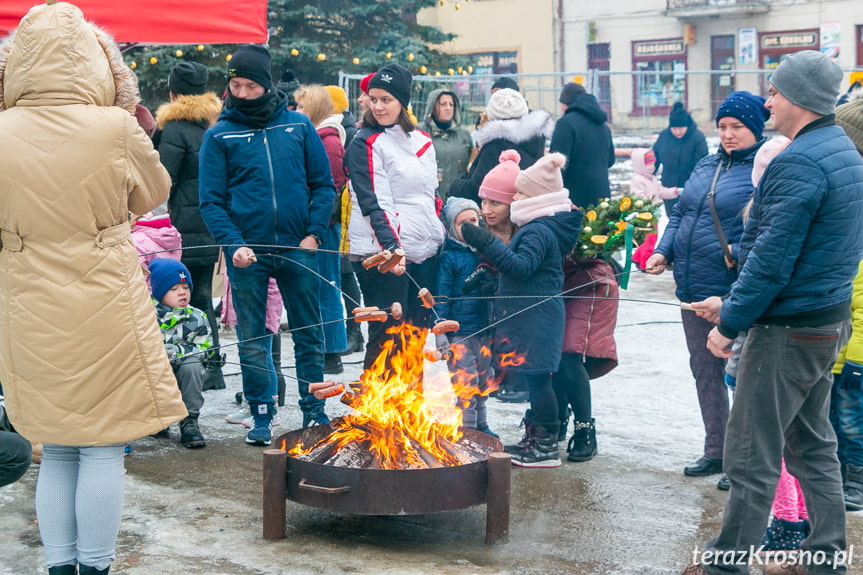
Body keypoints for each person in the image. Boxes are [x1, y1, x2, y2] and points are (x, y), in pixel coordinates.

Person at [0, 3, 188, 573]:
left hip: (25, 297)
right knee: (103, 444)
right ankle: (96, 566)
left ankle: (58, 565)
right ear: (95, 63)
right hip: (105, 295)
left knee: (55, 445)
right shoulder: (115, 126)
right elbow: (154, 193)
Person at [682, 50, 863, 575]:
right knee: (811, 444)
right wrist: (732, 301)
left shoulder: (799, 160)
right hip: (822, 323)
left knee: (749, 453)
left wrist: (732, 322)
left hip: (787, 331)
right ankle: (826, 556)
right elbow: (803, 252)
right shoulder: (842, 152)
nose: (768, 100)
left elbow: (773, 258)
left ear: (800, 101)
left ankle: (727, 561)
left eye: (775, 92)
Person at [199, 44, 336, 443]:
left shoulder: (297, 126)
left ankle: (315, 410)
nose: (240, 93)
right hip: (247, 254)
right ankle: (261, 413)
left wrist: (314, 233)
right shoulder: (219, 135)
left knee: (310, 332)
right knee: (253, 337)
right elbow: (211, 201)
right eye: (234, 84)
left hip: (299, 247)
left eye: (249, 86)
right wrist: (232, 244)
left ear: (266, 85)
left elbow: (322, 185)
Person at [645, 91, 770, 480]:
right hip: (692, 289)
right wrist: (664, 252)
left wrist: (732, 249)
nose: (729, 135)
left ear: (756, 128)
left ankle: (742, 461)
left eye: (738, 127)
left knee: (739, 378)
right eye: (723, 127)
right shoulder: (706, 165)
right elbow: (682, 213)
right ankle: (715, 450)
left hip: (733, 292)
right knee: (705, 372)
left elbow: (767, 228)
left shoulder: (766, 169)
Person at [460, 153, 582, 468]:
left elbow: (522, 266)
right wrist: (493, 279)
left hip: (538, 319)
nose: (516, 198)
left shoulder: (539, 230)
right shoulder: (537, 227)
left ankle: (544, 448)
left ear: (537, 197)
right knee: (535, 380)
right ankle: (537, 439)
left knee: (540, 381)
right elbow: (518, 271)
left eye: (521, 194)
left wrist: (485, 242)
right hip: (533, 317)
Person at [344, 63, 445, 369]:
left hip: (423, 250)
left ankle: (409, 411)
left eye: (385, 99)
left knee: (415, 333)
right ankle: (375, 409)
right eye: (373, 99)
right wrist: (392, 247)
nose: (377, 106)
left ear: (402, 102)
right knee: (388, 332)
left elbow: (431, 195)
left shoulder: (422, 141)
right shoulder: (364, 142)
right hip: (382, 252)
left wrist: (438, 230)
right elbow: (374, 200)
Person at [153, 61, 226, 391]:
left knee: (180, 296)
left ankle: (190, 366)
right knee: (202, 297)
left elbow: (162, 180)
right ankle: (213, 368)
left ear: (172, 92)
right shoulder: (216, 124)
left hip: (181, 228)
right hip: (213, 222)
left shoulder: (174, 129)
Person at [294, 84, 349, 374]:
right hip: (316, 223)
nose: (297, 111)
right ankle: (325, 347)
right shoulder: (315, 136)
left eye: (302, 107)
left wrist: (315, 223)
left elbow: (330, 187)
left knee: (327, 286)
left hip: (324, 226)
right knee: (318, 287)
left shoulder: (327, 141)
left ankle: (332, 352)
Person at [434, 197, 496, 437]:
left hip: (485, 330)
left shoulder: (486, 252)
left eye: (474, 220)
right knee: (465, 383)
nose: (470, 227)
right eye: (463, 223)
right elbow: (441, 296)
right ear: (451, 227)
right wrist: (441, 331)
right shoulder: (450, 258)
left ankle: (482, 424)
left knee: (483, 380)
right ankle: (468, 429)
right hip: (460, 333)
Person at [832, 95, 863, 512]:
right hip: (836, 335)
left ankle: (855, 480)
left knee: (853, 421)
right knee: (836, 421)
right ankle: (843, 476)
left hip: (855, 341)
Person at [449, 88, 553, 205]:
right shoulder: (535, 140)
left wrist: (455, 186)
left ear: (492, 115)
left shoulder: (496, 147)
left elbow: (477, 189)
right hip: (529, 210)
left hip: (503, 216)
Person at [149, 258, 211, 449]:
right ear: (160, 293)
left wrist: (176, 352)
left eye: (185, 287)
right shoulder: (146, 315)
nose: (182, 292)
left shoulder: (198, 317)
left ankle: (189, 421)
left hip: (183, 370)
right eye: (174, 289)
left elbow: (204, 348)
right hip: (154, 371)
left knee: (192, 365)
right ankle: (156, 418)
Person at [549, 82, 615, 209]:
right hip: (602, 198)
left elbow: (556, 165)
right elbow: (611, 160)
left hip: (573, 199)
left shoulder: (565, 124)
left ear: (565, 104)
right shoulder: (604, 126)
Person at [652, 102, 708, 216]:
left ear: (687, 125)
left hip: (691, 187)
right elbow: (655, 157)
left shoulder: (697, 138)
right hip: (669, 186)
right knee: (672, 218)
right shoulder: (664, 136)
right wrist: (648, 175)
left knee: (689, 220)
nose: (677, 132)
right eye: (674, 128)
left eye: (681, 128)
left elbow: (703, 163)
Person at [629, 148, 679, 269]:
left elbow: (660, 191)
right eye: (649, 164)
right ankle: (645, 264)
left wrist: (674, 191)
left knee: (650, 239)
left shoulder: (652, 179)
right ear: (641, 165)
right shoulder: (638, 180)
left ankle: (636, 257)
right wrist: (649, 208)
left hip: (653, 215)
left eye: (653, 164)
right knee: (650, 240)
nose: (652, 167)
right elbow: (638, 198)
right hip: (644, 216)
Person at [421, 89, 473, 201]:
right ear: (432, 107)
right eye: (443, 104)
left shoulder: (464, 135)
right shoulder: (420, 133)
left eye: (451, 104)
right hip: (428, 198)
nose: (448, 108)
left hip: (458, 200)